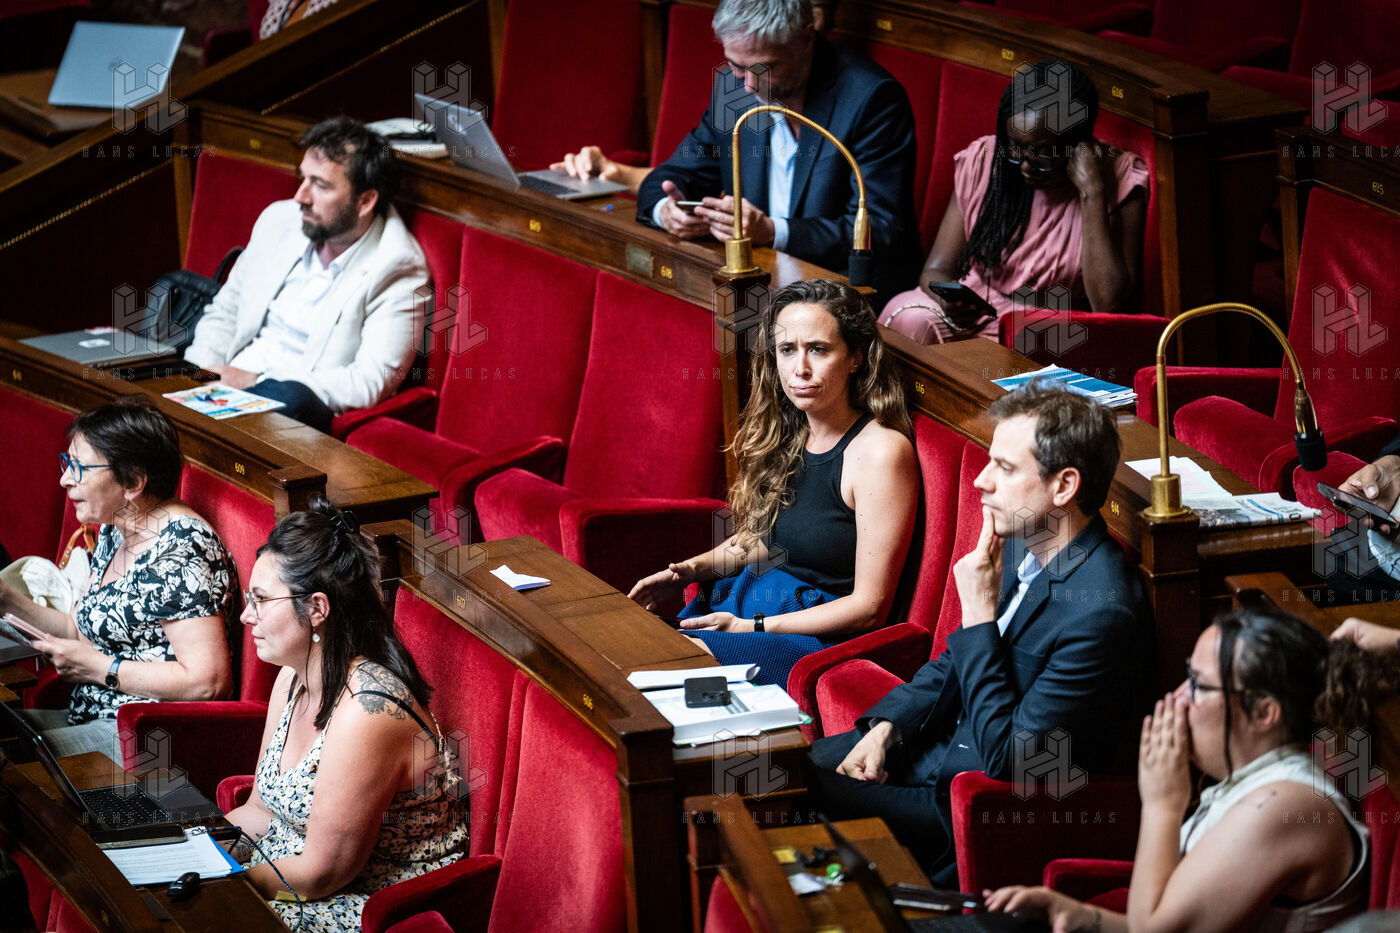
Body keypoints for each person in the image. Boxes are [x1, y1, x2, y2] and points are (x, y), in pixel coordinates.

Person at [805, 381, 1152, 883]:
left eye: (1005, 469)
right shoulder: (1026, 540)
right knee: (785, 767)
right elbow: (952, 662)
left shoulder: (1101, 613)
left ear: (1063, 486)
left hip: (969, 806)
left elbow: (1012, 760)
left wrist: (980, 618)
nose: (981, 481)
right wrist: (886, 728)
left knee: (793, 789)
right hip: (927, 749)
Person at [985, 608, 1380, 933]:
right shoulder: (1259, 783)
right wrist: (1084, 917)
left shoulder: (1285, 806)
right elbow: (1172, 918)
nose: (1176, 698)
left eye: (1198, 685)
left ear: (1264, 712)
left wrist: (1162, 804)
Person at [627, 279, 919, 689]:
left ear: (855, 357)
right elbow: (764, 540)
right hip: (760, 605)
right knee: (633, 651)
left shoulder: (880, 453)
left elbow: (870, 608)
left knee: (668, 675)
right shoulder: (794, 431)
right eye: (787, 350)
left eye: (818, 349)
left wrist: (753, 628)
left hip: (815, 637)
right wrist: (687, 571)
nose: (800, 368)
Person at [224, 500, 468, 931]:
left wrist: (224, 886)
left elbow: (325, 873)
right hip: (284, 878)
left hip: (359, 905)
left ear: (317, 608)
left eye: (260, 600)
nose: (247, 615)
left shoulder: (367, 711)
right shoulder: (291, 677)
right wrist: (190, 851)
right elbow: (260, 811)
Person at [632, 0, 923, 300]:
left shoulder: (871, 97)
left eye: (765, 68)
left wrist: (772, 231)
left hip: (843, 291)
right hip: (763, 280)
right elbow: (671, 175)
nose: (748, 86)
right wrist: (666, 211)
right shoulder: (733, 88)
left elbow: (881, 228)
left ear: (806, 38)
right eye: (736, 66)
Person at [0, 398, 234, 759]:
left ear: (133, 481)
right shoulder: (118, 525)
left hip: (145, 736)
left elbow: (208, 681)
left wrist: (100, 668)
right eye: (67, 463)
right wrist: (5, 597)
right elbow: (79, 630)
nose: (65, 479)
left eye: (79, 467)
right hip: (90, 715)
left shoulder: (181, 548)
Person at [183, 117, 428, 433]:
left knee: (293, 399)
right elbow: (225, 312)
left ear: (365, 201)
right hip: (222, 383)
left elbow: (370, 380)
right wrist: (199, 376)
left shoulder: (397, 265)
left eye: (320, 186)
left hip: (289, 405)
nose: (301, 196)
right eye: (303, 178)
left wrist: (255, 381)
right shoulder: (279, 220)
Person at [881, 59, 1148, 344]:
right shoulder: (985, 159)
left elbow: (1109, 305)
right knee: (909, 321)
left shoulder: (1119, 176)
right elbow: (936, 269)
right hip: (977, 307)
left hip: (1048, 325)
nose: (1024, 165)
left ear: (1077, 142)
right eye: (1015, 148)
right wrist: (948, 300)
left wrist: (1091, 191)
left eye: (1041, 152)